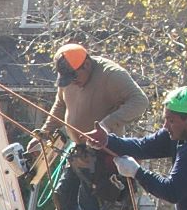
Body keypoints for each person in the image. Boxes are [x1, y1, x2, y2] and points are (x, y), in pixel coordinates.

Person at [31, 41, 146, 186]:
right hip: (78, 152)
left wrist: (106, 125)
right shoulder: (69, 78)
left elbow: (140, 101)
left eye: (74, 77)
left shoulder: (111, 74)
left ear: (86, 65)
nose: (72, 83)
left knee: (89, 204)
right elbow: (60, 104)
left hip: (103, 153)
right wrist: (44, 132)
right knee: (63, 195)